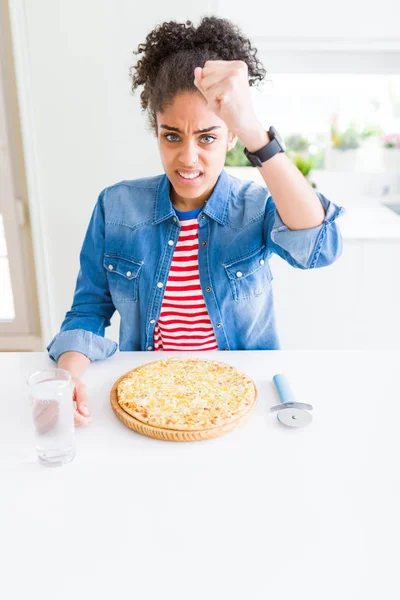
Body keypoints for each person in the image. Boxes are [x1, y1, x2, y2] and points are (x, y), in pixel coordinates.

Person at [46, 16, 345, 427]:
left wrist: (254, 127)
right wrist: (67, 377)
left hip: (244, 402)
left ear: (232, 136)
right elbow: (87, 310)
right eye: (172, 136)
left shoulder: (256, 207)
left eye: (207, 137)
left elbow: (319, 248)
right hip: (150, 398)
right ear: (156, 129)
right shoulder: (116, 207)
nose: (188, 159)